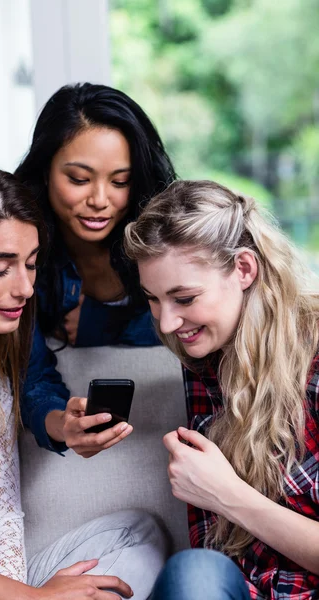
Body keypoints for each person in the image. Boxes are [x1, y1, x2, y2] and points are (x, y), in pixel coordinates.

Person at [0, 164, 168, 599]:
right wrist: (26, 595)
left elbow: (1, 513)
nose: (25, 288)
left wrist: (21, 593)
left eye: (31, 265)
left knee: (136, 533)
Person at [124, 179, 319, 599]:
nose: (166, 323)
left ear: (244, 269)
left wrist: (226, 495)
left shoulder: (314, 357)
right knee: (195, 570)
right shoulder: (205, 356)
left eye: (185, 297)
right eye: (153, 299)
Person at [15, 82, 176, 456]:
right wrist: (62, 424)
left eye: (120, 181)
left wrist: (102, 324)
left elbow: (208, 318)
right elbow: (30, 377)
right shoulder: (21, 249)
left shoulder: (163, 233)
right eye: (79, 179)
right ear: (44, 172)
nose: (100, 201)